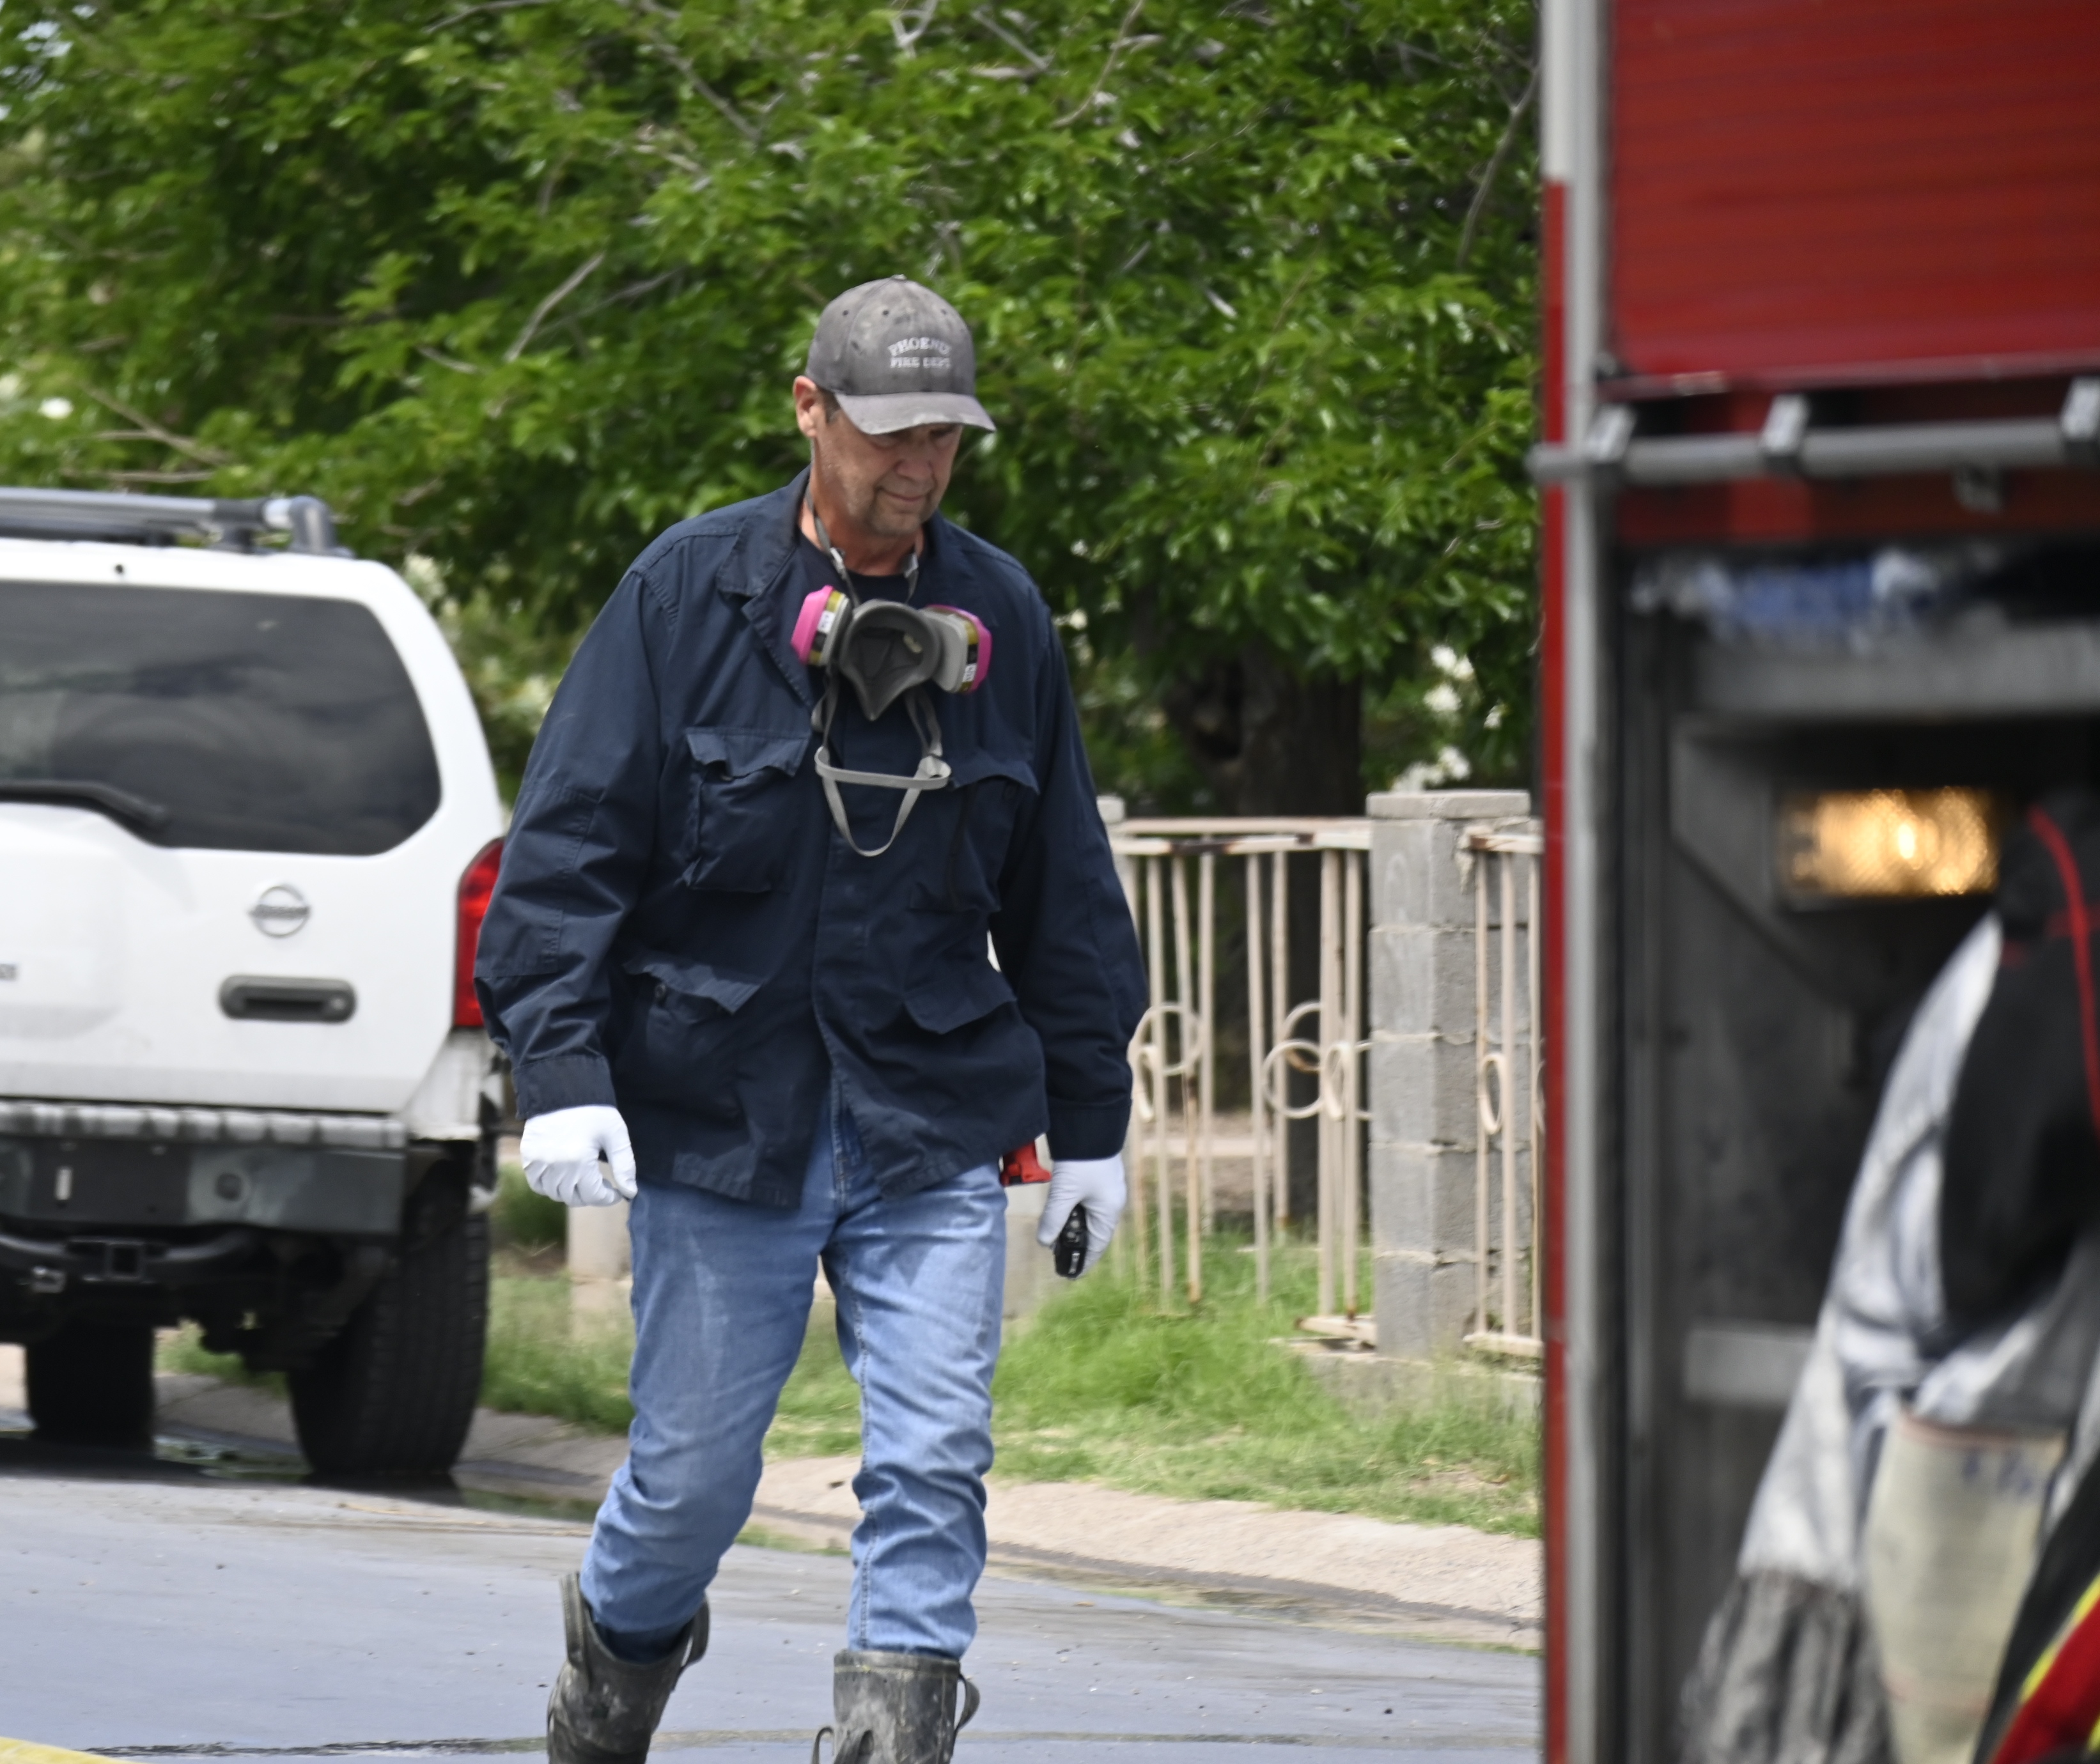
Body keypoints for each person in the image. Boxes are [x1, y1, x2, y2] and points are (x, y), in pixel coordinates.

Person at [475, 275, 1147, 1764]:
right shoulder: (684, 595)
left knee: (934, 1456)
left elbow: (1060, 887)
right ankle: (605, 1693)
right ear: (809, 409)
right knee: (692, 1481)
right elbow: (568, 851)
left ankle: (892, 1736)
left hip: (927, 1117)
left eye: (944, 436)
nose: (919, 463)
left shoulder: (1001, 614)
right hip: (725, 1117)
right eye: (890, 430)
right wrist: (563, 1071)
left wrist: (1091, 1125)